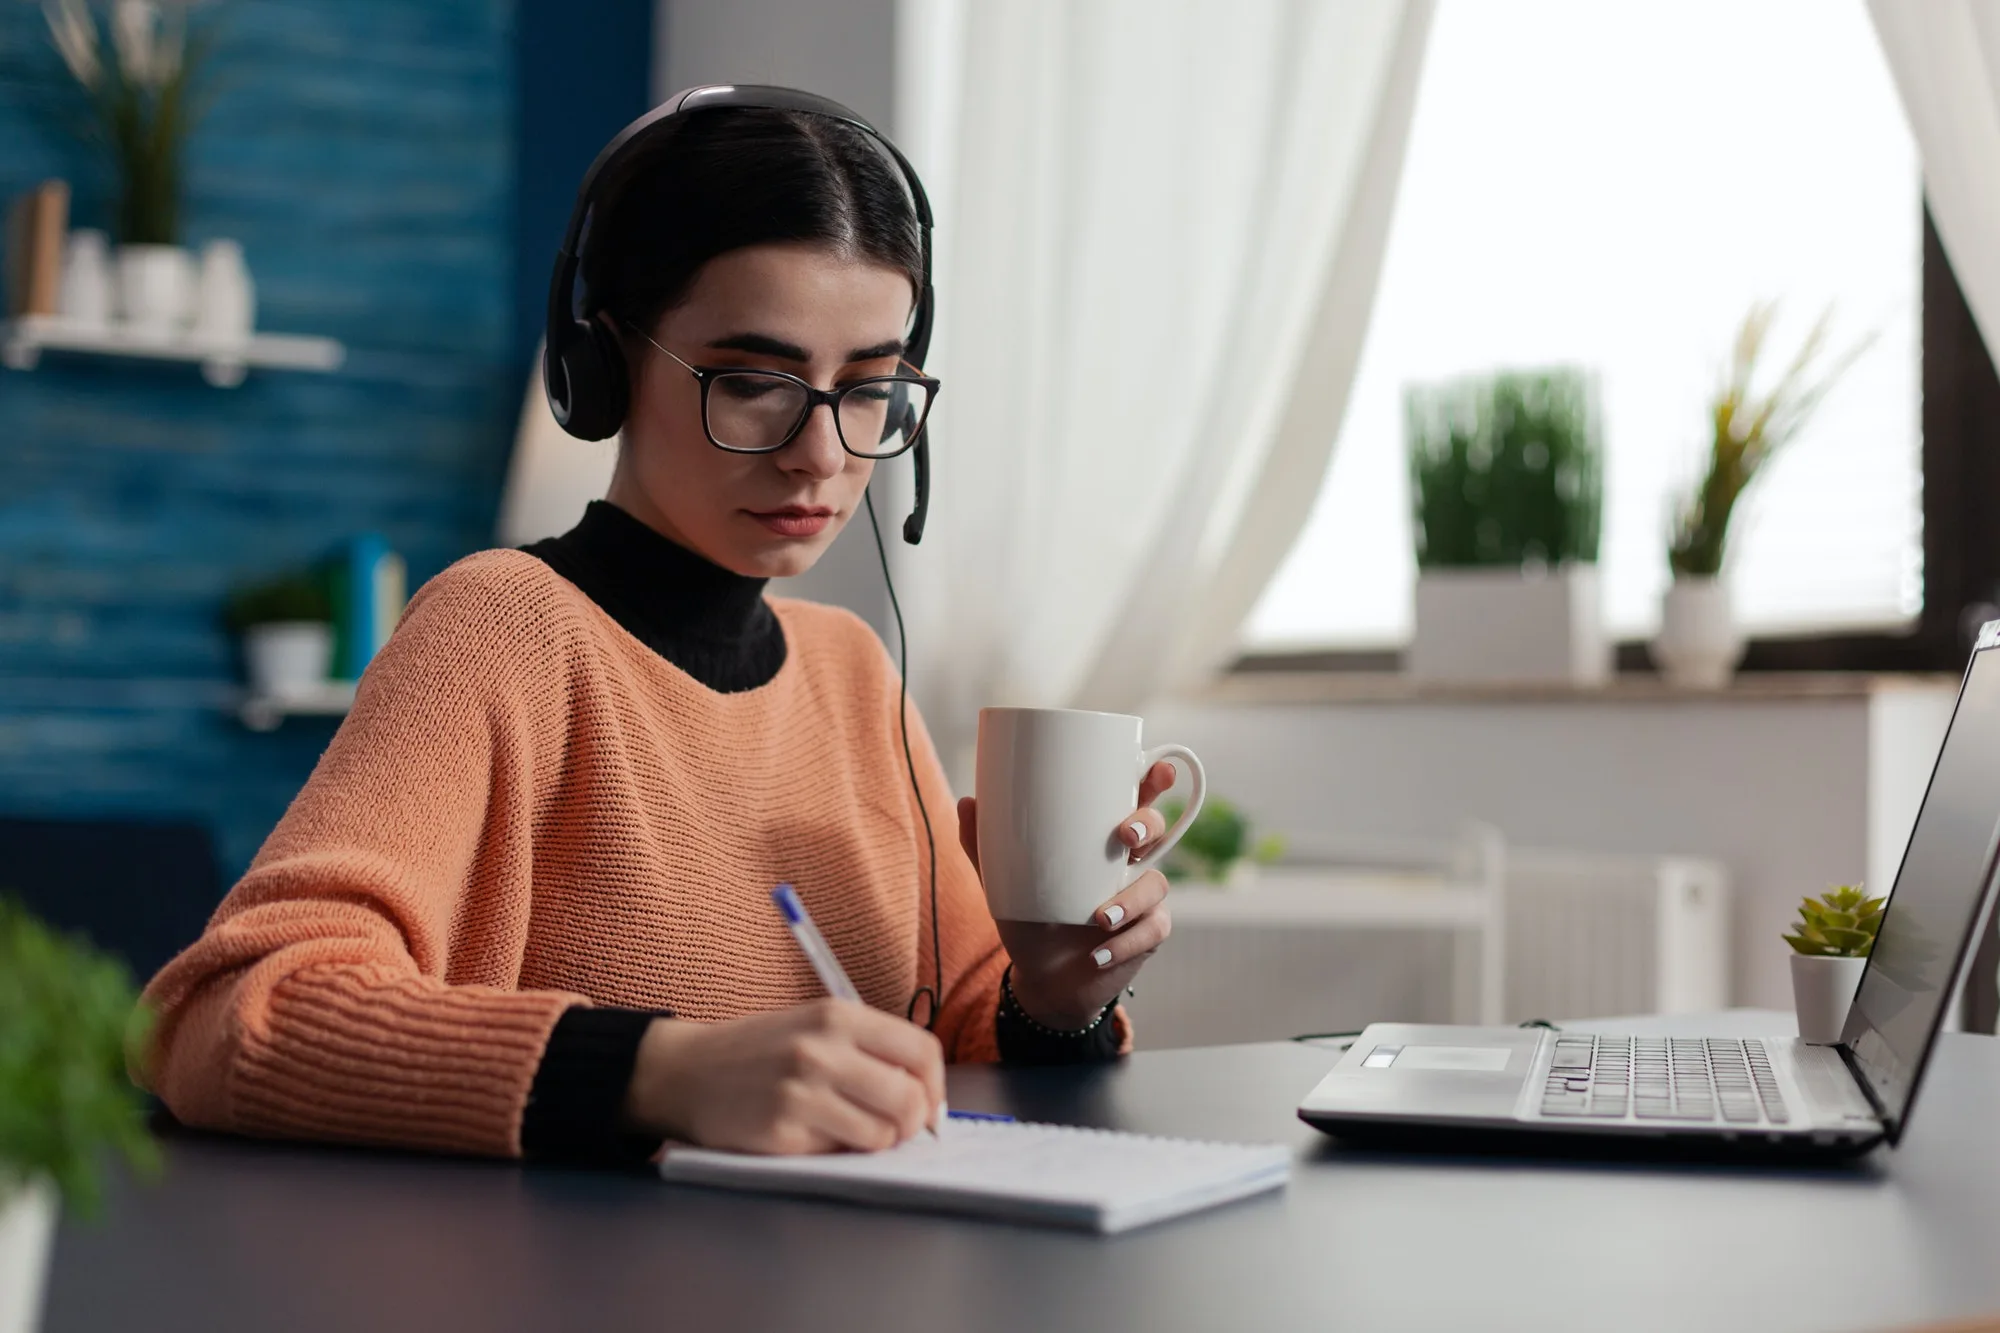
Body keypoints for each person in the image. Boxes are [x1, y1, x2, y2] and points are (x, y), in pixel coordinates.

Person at [136, 97, 1181, 1164]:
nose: (821, 454)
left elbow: (969, 1046)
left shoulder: (853, 673)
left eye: (869, 388)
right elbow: (227, 1015)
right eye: (754, 383)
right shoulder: (504, 628)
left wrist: (1054, 1002)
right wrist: (662, 1071)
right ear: (603, 364)